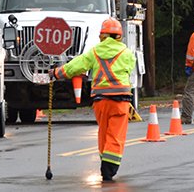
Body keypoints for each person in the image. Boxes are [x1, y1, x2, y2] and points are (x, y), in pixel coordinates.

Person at [50, 17, 136, 182]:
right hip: (121, 101)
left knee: (103, 133)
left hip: (100, 101)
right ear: (119, 36)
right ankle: (109, 169)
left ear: (102, 35)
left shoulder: (94, 52)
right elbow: (130, 68)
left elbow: (74, 66)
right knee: (116, 135)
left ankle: (105, 161)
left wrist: (55, 73)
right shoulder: (126, 53)